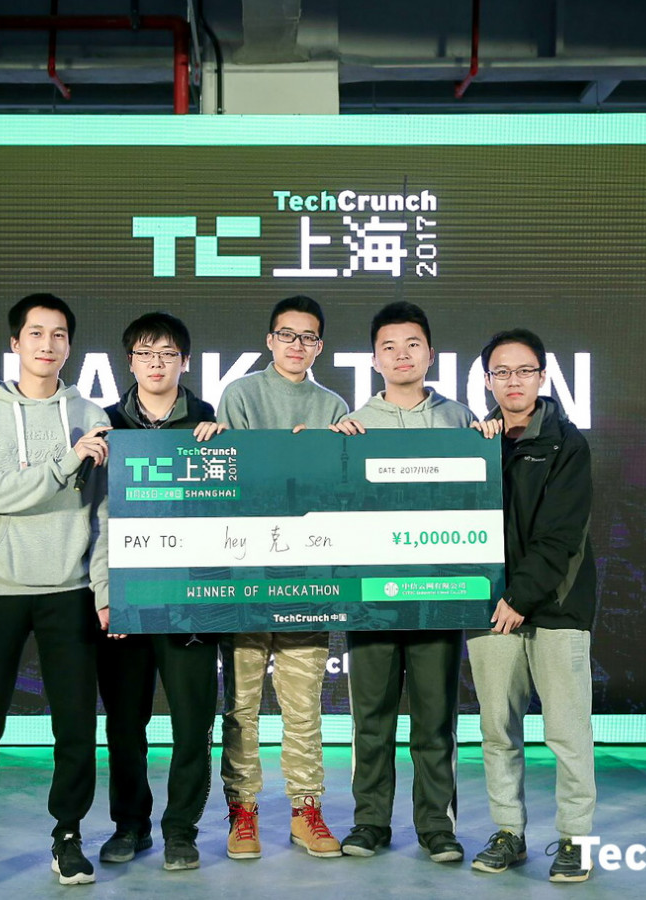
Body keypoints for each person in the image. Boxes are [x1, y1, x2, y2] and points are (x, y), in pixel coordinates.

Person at [0, 293, 112, 890]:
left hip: (69, 587)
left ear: (70, 346)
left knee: (76, 725)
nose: (47, 344)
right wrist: (64, 464)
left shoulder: (90, 412)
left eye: (59, 334)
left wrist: (102, 587)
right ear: (15, 343)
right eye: (36, 333)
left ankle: (68, 836)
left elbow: (103, 512)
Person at [328, 302, 475, 865]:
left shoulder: (461, 420)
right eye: (388, 347)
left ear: (430, 353)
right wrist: (335, 449)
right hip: (371, 596)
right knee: (371, 719)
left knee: (436, 720)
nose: (401, 355)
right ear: (374, 359)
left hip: (440, 592)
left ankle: (437, 825)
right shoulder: (354, 424)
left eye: (412, 344)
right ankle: (370, 821)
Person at [216, 295, 349, 860]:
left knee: (304, 705)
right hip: (247, 575)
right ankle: (242, 813)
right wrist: (288, 461)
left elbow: (337, 489)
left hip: (307, 578)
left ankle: (306, 811)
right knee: (241, 705)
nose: (297, 345)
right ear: (270, 340)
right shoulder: (240, 394)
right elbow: (236, 481)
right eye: (287, 335)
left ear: (320, 346)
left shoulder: (333, 404)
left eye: (308, 337)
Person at [466, 328, 598, 883]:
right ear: (487, 380)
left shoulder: (568, 443)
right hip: (489, 610)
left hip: (554, 607)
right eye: (501, 372)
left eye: (524, 371)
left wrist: (520, 596)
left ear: (542, 377)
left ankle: (576, 839)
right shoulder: (476, 442)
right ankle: (508, 832)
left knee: (567, 732)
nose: (513, 381)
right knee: (498, 730)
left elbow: (560, 535)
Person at [96, 311, 226, 872]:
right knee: (125, 725)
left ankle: (181, 830)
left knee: (192, 724)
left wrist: (224, 450)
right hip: (126, 598)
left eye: (168, 353)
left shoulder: (208, 421)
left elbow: (229, 509)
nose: (157, 363)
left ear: (185, 362)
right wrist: (106, 594)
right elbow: (94, 517)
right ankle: (130, 825)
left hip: (190, 601)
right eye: (146, 353)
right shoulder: (104, 424)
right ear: (130, 361)